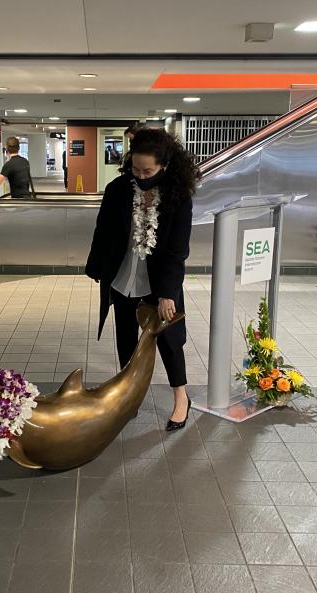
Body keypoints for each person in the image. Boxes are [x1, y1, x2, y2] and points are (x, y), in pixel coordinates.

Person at [85, 128, 198, 431]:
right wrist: (96, 268)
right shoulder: (118, 188)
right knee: (126, 339)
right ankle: (130, 396)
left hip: (161, 282)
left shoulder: (178, 197)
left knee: (170, 340)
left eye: (148, 170)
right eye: (135, 168)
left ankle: (181, 398)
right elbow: (103, 231)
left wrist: (168, 294)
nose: (141, 174)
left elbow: (178, 250)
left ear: (165, 165)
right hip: (124, 275)